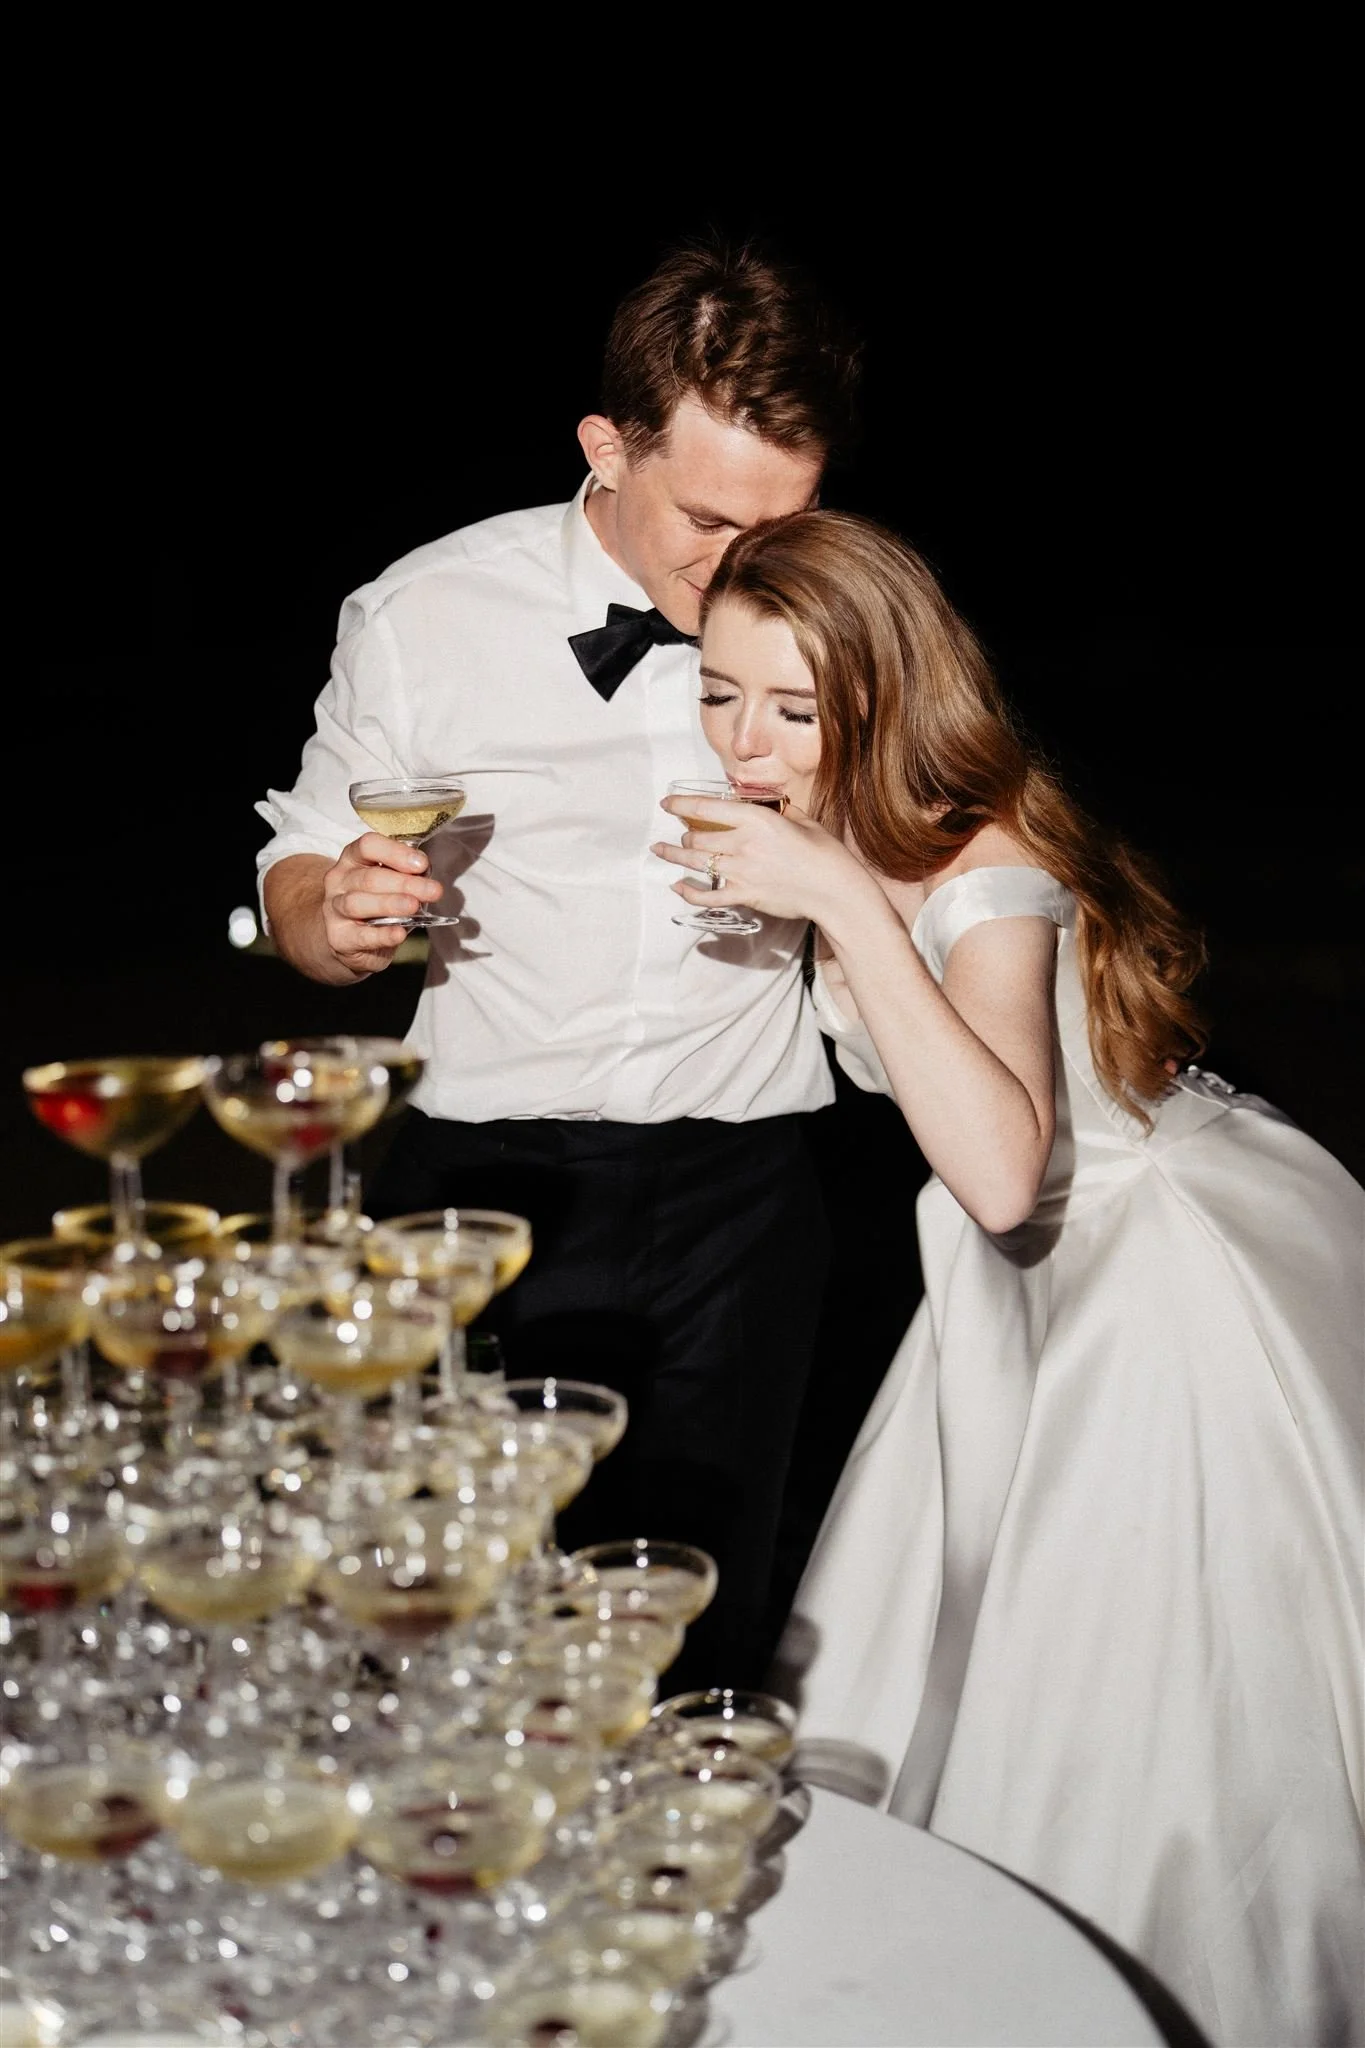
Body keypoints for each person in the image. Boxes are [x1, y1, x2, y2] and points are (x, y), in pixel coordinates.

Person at [652, 508, 1364, 2048]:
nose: (744, 742)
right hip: (1001, 1290)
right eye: (717, 691)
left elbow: (997, 1170)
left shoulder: (989, 871)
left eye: (794, 709)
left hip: (1149, 1286)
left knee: (1126, 1700)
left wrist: (842, 905)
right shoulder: (827, 817)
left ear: (884, 698)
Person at [253, 236, 862, 1687]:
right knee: (469, 1626)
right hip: (493, 1185)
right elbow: (298, 877)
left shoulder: (848, 615)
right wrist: (333, 919)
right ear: (606, 447)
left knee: (704, 1624)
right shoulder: (426, 616)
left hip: (748, 1185)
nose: (748, 563)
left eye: (786, 519)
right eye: (707, 518)